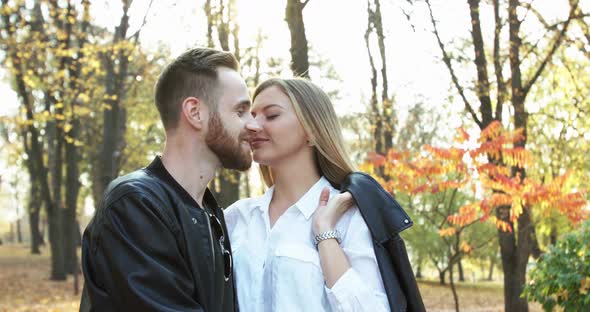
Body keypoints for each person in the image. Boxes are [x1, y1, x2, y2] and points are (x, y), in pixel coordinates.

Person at [80, 47, 260, 311]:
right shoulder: (135, 204)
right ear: (195, 112)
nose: (253, 125)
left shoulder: (211, 215)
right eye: (241, 111)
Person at [224, 78, 390, 311]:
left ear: (312, 131)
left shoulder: (351, 216)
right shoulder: (235, 217)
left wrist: (325, 234)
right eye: (252, 116)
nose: (252, 126)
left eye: (271, 116)